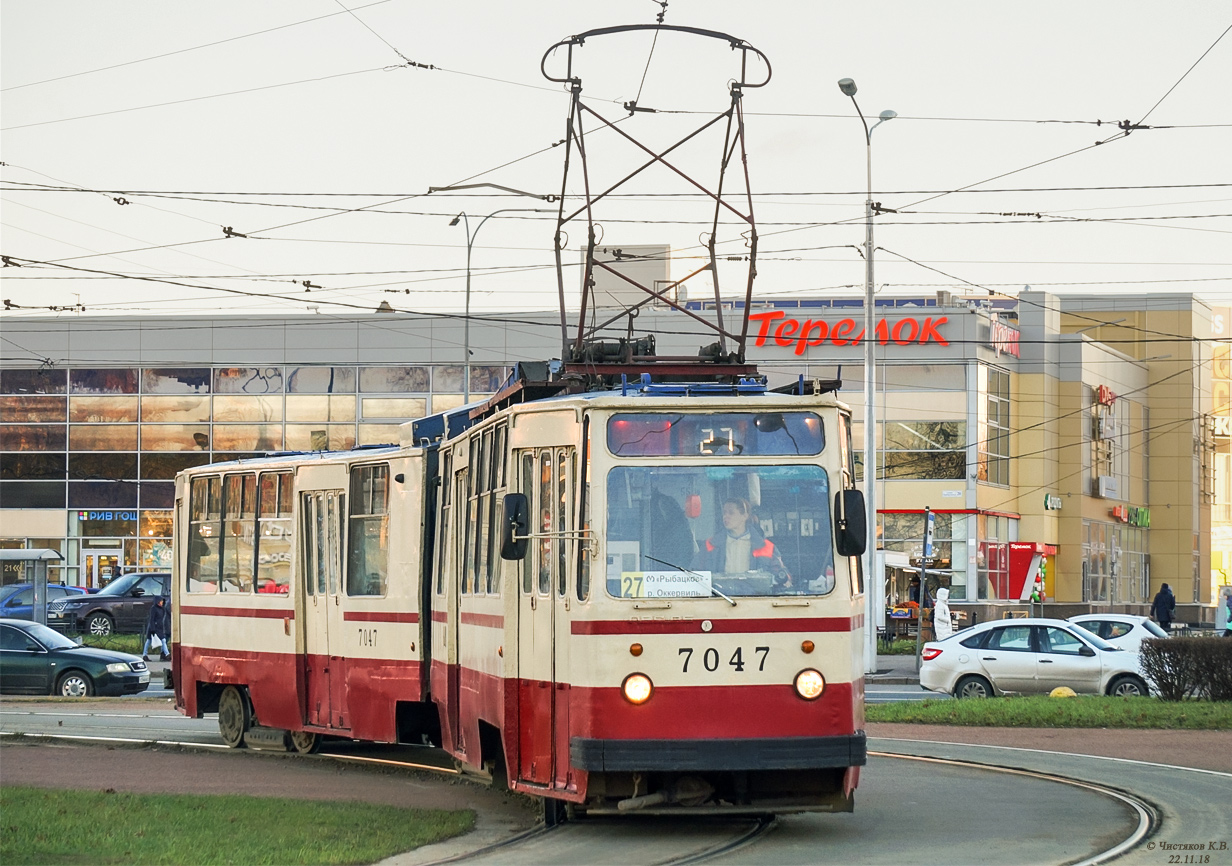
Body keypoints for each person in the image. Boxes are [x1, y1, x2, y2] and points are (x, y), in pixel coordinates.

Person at [702, 498, 790, 586]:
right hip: (719, 598)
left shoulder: (766, 547)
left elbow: (782, 578)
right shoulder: (710, 545)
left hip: (754, 598)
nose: (726, 516)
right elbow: (694, 576)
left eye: (731, 513)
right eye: (724, 513)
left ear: (745, 516)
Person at [143, 594, 171, 661]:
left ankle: (166, 654)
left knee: (162, 640)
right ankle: (145, 655)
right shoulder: (153, 608)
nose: (162, 602)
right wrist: (152, 629)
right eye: (161, 601)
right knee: (149, 641)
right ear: (157, 601)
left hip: (159, 628)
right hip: (153, 627)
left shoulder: (162, 609)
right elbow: (152, 619)